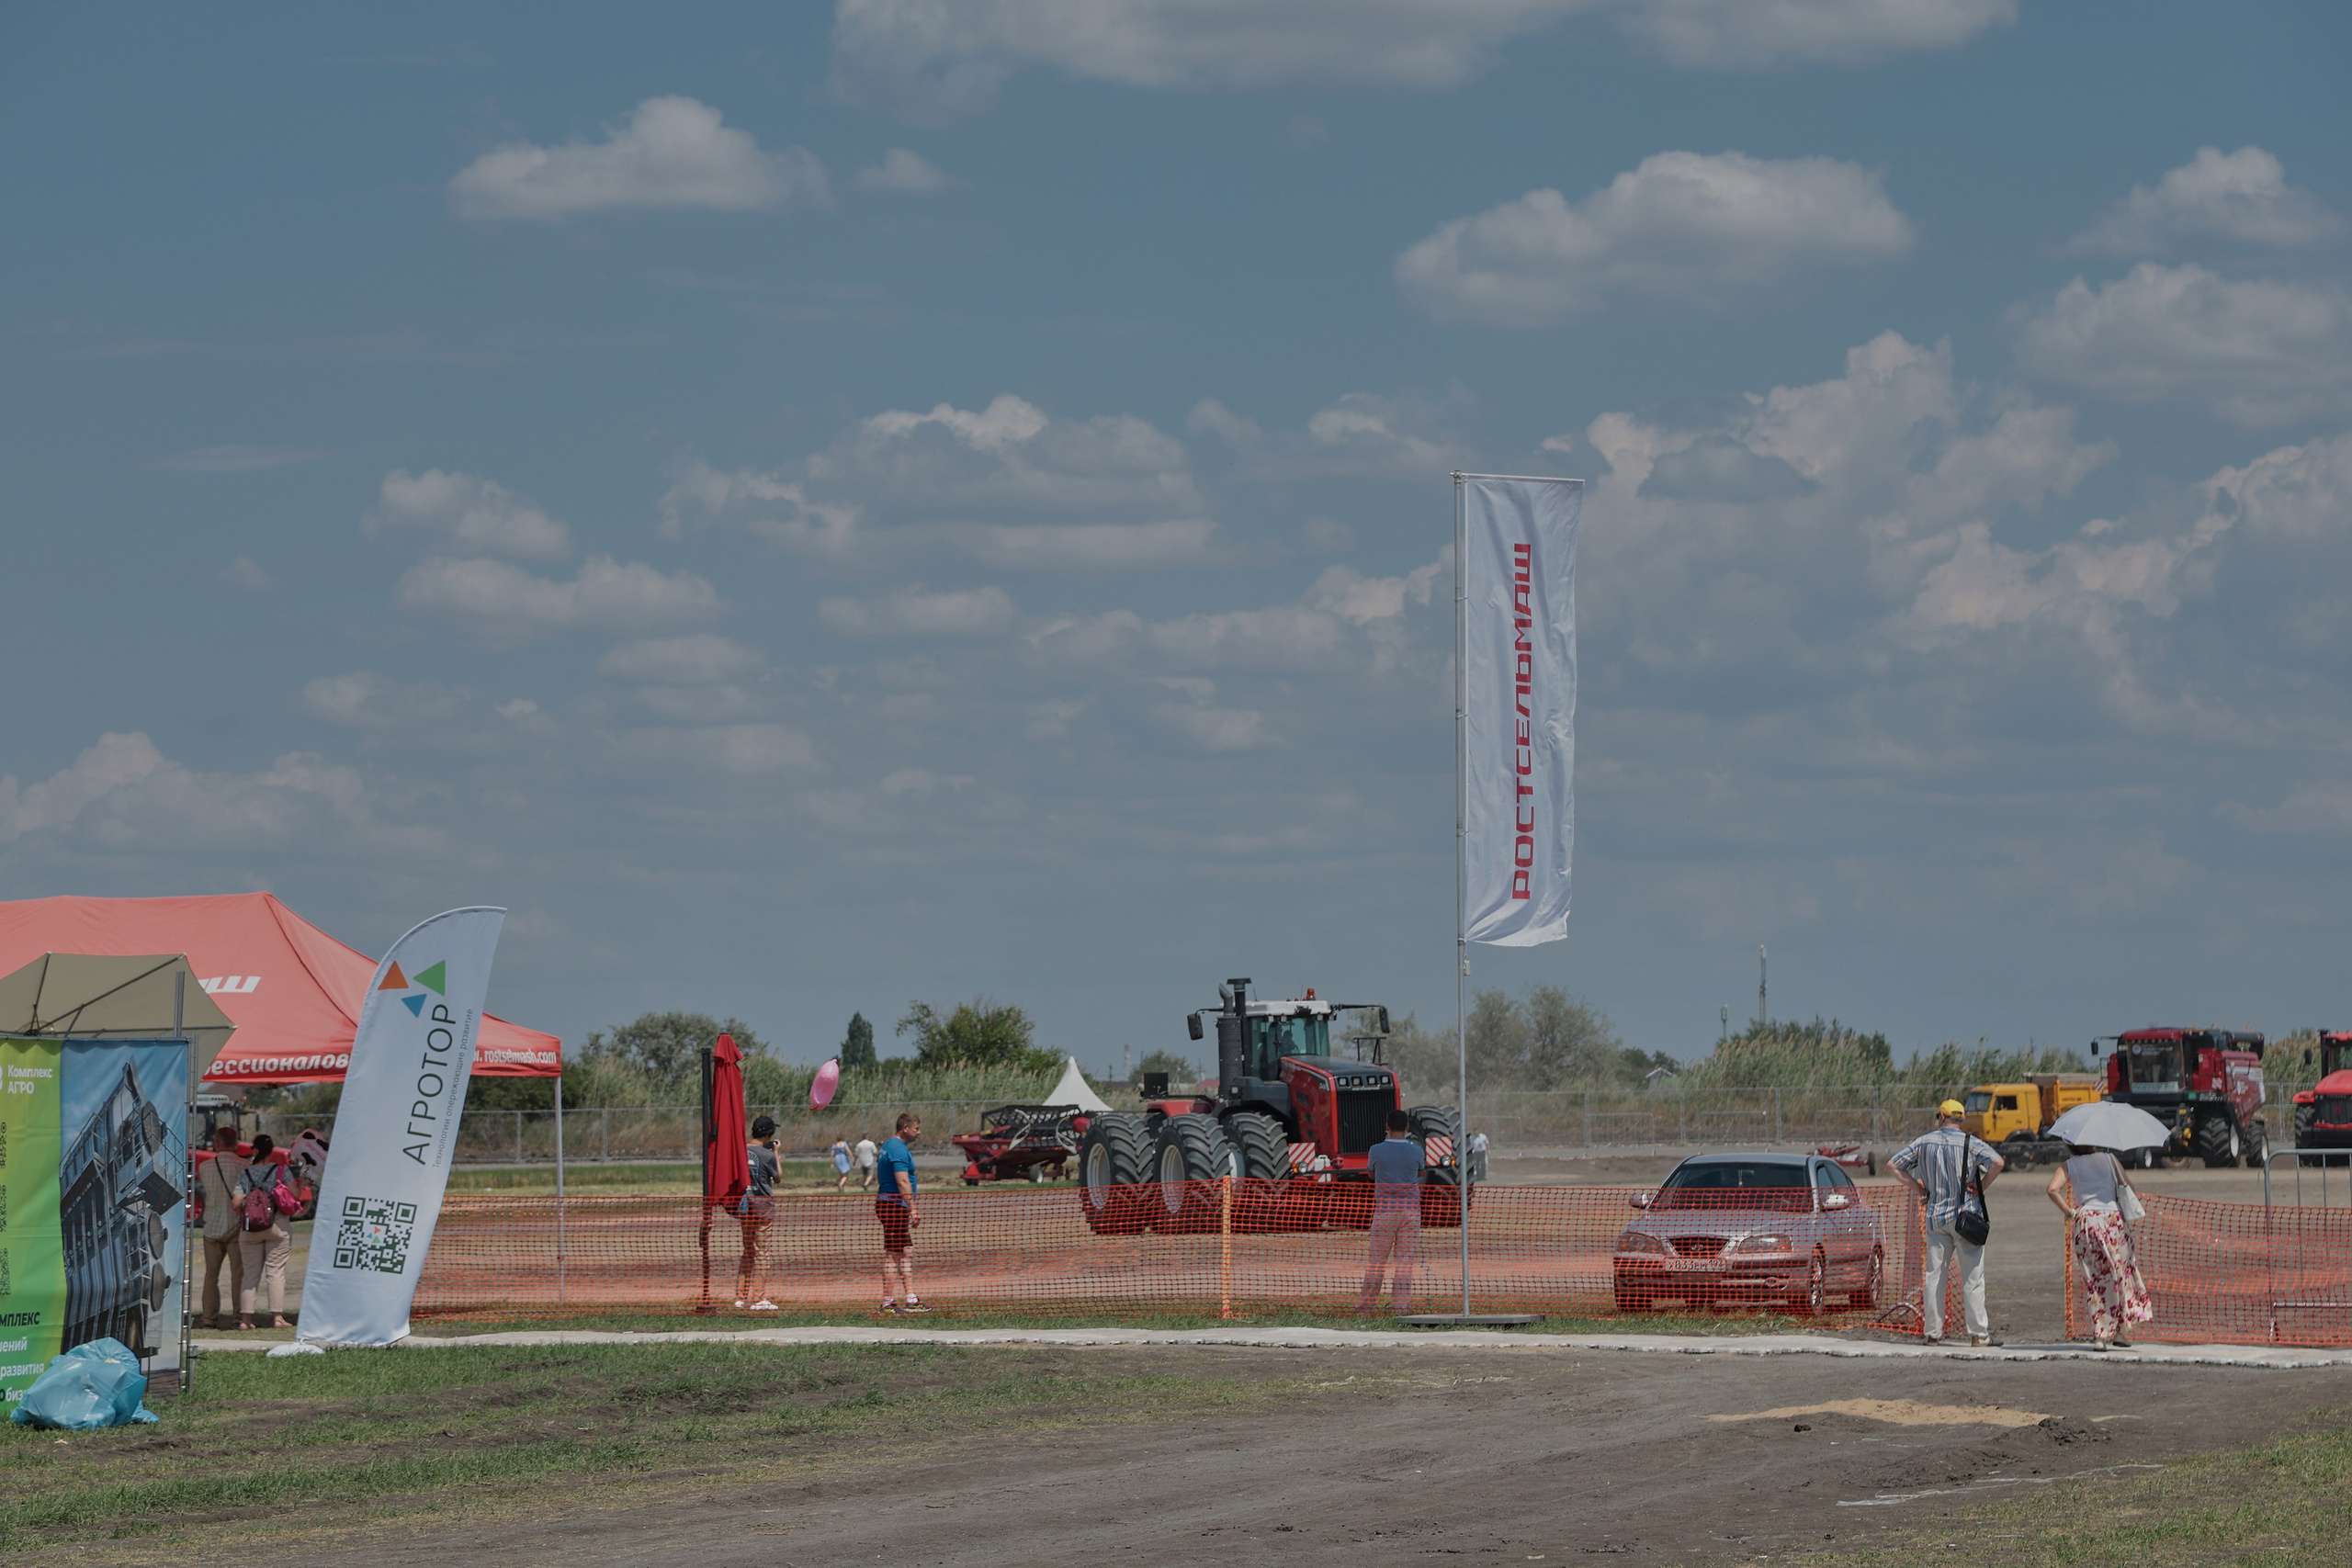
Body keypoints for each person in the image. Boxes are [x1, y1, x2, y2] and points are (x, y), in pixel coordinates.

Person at [1889, 1100, 2006, 1348]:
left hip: (1935, 1218)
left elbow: (1893, 1165)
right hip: (1966, 1218)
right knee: (1972, 1278)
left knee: (1934, 1276)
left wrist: (1918, 1188)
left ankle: (1932, 1333)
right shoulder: (1970, 1143)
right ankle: (1978, 1334)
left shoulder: (1924, 1142)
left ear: (1941, 1117)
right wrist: (1981, 1187)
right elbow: (1998, 1163)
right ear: (1960, 1118)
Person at [2046, 1143, 2152, 1350]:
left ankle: (2100, 1335)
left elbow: (2052, 1189)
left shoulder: (2069, 1165)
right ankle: (2122, 1332)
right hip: (2114, 1221)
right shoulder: (2110, 1160)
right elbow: (2128, 1186)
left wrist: (2069, 1212)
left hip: (2086, 1222)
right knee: (2122, 1274)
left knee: (2096, 1280)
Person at [1358, 1109, 1423, 1315]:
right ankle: (1401, 1308)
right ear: (1407, 1127)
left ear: (1387, 1126)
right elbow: (1421, 1172)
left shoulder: (1376, 1150)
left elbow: (1370, 1174)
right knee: (1405, 1262)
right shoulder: (1417, 1150)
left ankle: (1365, 1307)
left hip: (1385, 1211)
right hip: (1411, 1211)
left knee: (1377, 1261)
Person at [236, 1135, 297, 1331]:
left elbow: (236, 1202)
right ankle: (278, 1317)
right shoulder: (281, 1171)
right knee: (276, 1272)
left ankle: (245, 1319)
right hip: (276, 1225)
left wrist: (246, 1215)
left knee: (250, 1275)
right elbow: (295, 1194)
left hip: (250, 1229)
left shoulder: (245, 1174)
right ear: (271, 1151)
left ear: (254, 1150)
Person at [196, 1126, 248, 1329]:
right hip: (236, 1225)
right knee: (238, 1274)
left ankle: (208, 1317)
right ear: (235, 1143)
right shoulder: (244, 1165)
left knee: (211, 1275)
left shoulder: (205, 1166)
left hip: (212, 1227)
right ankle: (238, 1316)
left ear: (216, 1143)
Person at [875, 1112, 925, 1314]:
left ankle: (911, 1298)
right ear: (905, 1128)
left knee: (906, 1252)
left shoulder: (892, 1145)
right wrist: (913, 1208)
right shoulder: (897, 1148)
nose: (919, 1133)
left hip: (895, 1205)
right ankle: (887, 1302)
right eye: (916, 1128)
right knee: (893, 1254)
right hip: (893, 1205)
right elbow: (902, 1180)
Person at [736, 1115, 781, 1311]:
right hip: (762, 1207)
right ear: (769, 1134)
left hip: (744, 1206)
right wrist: (777, 1153)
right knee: (762, 1253)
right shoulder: (768, 1155)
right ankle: (759, 1298)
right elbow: (778, 1177)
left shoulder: (739, 1151)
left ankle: (740, 1297)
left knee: (747, 1252)